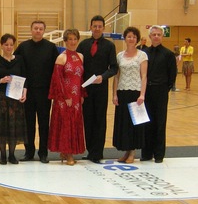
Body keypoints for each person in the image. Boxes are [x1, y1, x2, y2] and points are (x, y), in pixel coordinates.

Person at [14, 20, 59, 164]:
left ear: (44, 31)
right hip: (27, 91)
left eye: (40, 29)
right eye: (35, 28)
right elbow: (13, 62)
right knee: (28, 123)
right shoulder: (23, 47)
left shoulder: (51, 47)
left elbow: (57, 70)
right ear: (31, 30)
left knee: (44, 123)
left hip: (45, 92)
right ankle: (29, 152)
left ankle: (43, 153)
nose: (38, 31)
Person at [76, 15, 118, 164]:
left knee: (100, 119)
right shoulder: (83, 45)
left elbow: (114, 68)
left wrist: (103, 76)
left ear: (103, 28)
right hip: (85, 88)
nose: (97, 29)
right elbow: (77, 65)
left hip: (101, 88)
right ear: (91, 27)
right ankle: (90, 151)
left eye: (100, 26)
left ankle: (98, 152)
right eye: (95, 26)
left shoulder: (109, 46)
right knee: (87, 119)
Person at [0, 33, 27, 165]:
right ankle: (2, 155)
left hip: (14, 98)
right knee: (1, 126)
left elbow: (25, 77)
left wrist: (24, 92)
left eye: (11, 45)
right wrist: (0, 80)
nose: (9, 47)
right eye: (6, 44)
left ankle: (12, 155)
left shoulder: (19, 60)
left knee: (13, 126)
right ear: (1, 45)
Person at [47, 29, 85, 166]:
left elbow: (80, 78)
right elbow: (57, 80)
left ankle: (67, 152)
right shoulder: (61, 57)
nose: (73, 42)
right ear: (65, 41)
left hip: (76, 97)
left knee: (74, 123)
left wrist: (82, 94)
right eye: (70, 39)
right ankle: (68, 154)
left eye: (75, 39)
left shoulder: (81, 56)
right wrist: (66, 96)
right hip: (64, 98)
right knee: (66, 124)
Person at [112, 26, 148, 164]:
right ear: (125, 38)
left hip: (135, 93)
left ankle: (132, 152)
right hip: (122, 92)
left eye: (134, 36)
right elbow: (116, 76)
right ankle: (126, 151)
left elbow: (144, 76)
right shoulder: (119, 55)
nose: (131, 39)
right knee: (124, 123)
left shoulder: (142, 55)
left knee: (134, 124)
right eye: (129, 36)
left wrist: (142, 94)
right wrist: (114, 94)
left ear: (137, 39)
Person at [141, 25, 177, 163]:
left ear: (162, 36)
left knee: (160, 123)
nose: (156, 36)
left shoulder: (168, 54)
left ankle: (159, 154)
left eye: (159, 34)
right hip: (146, 91)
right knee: (146, 122)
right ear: (150, 36)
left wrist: (164, 89)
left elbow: (172, 75)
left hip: (161, 91)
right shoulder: (144, 53)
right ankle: (146, 153)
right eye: (154, 34)